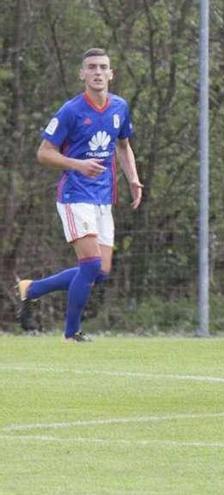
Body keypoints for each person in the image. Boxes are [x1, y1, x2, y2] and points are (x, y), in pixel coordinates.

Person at [16, 48, 142, 342]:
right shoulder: (71, 111)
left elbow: (123, 146)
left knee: (101, 271)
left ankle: (31, 290)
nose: (97, 72)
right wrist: (78, 164)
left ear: (111, 73)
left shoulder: (120, 107)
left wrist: (133, 179)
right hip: (74, 195)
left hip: (102, 198)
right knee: (90, 265)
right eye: (92, 67)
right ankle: (71, 333)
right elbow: (44, 153)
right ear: (82, 74)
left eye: (103, 67)